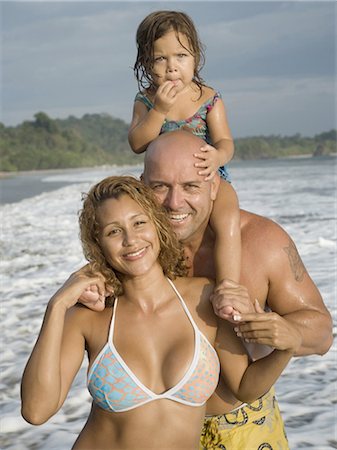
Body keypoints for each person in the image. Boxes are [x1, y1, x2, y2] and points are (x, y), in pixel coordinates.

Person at [21, 176, 300, 450]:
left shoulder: (203, 298)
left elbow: (245, 387)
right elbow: (36, 411)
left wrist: (286, 348)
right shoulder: (88, 317)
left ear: (157, 225)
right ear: (99, 244)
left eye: (139, 223)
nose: (131, 240)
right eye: (113, 231)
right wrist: (56, 306)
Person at [142, 130, 333, 449]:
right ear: (142, 184)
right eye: (160, 186)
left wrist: (280, 331)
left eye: (191, 186)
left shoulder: (263, 242)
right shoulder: (130, 251)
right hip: (154, 432)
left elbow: (322, 332)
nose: (175, 202)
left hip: (244, 431)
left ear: (214, 185)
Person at [128, 10, 241, 287]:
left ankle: (228, 285)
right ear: (146, 63)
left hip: (208, 178)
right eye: (160, 58)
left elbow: (226, 142)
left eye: (181, 56)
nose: (172, 67)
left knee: (228, 218)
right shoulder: (146, 100)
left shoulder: (207, 98)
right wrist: (160, 110)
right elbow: (137, 142)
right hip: (161, 186)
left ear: (195, 58)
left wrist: (218, 156)